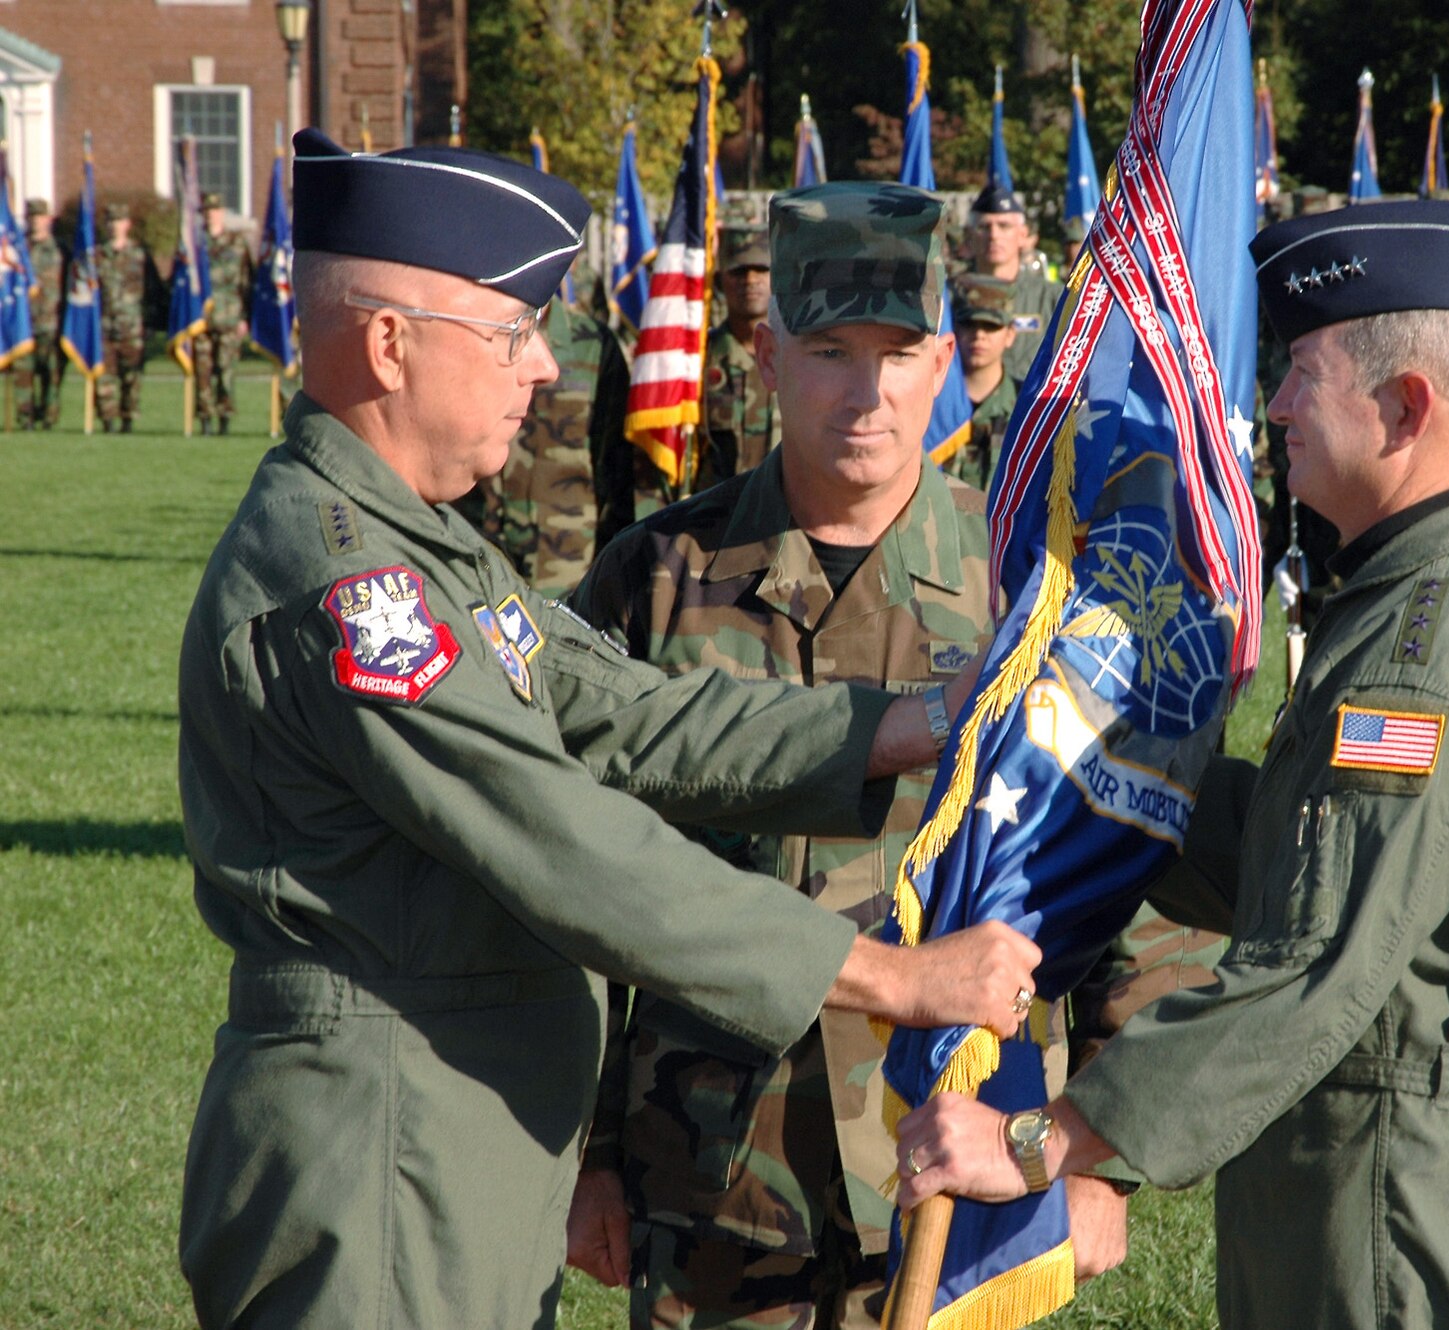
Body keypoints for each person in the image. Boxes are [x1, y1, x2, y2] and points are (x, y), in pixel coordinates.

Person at [176, 130, 1040, 1330]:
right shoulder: (347, 592)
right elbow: (573, 843)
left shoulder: (431, 550)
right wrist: (890, 976)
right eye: (508, 333)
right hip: (384, 1146)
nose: (543, 368)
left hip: (451, 1138)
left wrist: (915, 720)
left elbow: (633, 711)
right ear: (388, 344)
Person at [895, 198, 1449, 1330]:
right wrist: (1074, 762)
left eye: (1300, 372)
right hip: (1356, 1190)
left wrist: (1040, 1139)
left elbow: (1306, 971)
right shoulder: (1412, 604)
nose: (1269, 405)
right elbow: (1291, 842)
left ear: (1404, 405)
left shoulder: (1428, 662)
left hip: (1389, 1226)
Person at [562, 181, 1129, 1329]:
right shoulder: (652, 577)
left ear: (945, 364)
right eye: (827, 348)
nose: (866, 391)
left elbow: (1124, 860)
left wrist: (1101, 1154)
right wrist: (584, 1148)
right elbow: (562, 873)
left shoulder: (1031, 580)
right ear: (765, 358)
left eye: (898, 350)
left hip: (960, 1189)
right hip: (709, 1184)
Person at [453, 290, 618, 593]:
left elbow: (617, 465)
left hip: (568, 564)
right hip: (477, 550)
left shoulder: (594, 344)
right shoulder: (468, 328)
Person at [694, 226, 781, 489]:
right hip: (715, 522)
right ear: (720, 282)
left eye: (761, 270)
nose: (750, 280)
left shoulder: (801, 358)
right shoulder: (696, 360)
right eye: (739, 271)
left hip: (786, 519)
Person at [966, 181, 1058, 381]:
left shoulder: (1052, 298)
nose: (994, 235)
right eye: (984, 227)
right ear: (970, 235)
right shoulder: (950, 296)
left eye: (1004, 226)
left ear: (1023, 235)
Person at [939, 271, 1017, 490]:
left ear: (1010, 334)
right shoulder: (930, 404)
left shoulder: (1029, 408)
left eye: (991, 326)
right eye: (969, 323)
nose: (979, 335)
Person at [194, 192, 254, 435]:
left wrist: (245, 318)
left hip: (230, 317)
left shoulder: (237, 244)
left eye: (214, 210)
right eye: (206, 211)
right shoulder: (196, 244)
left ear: (221, 213)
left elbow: (247, 282)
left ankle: (225, 419)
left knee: (226, 370)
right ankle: (205, 419)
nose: (210, 215)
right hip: (201, 321)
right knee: (203, 372)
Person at [94, 201, 155, 434]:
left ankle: (128, 419)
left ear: (127, 224)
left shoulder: (140, 255)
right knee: (105, 378)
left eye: (119, 221)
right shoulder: (96, 257)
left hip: (132, 326)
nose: (114, 226)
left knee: (132, 377)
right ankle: (108, 421)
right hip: (104, 326)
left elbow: (152, 291)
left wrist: (149, 323)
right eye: (110, 221)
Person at [17, 197, 64, 429]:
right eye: (32, 217)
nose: (36, 222)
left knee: (51, 373)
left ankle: (48, 416)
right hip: (23, 322)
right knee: (23, 374)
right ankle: (25, 417)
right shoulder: (16, 250)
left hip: (51, 321)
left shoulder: (59, 249)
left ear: (49, 219)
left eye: (40, 217)